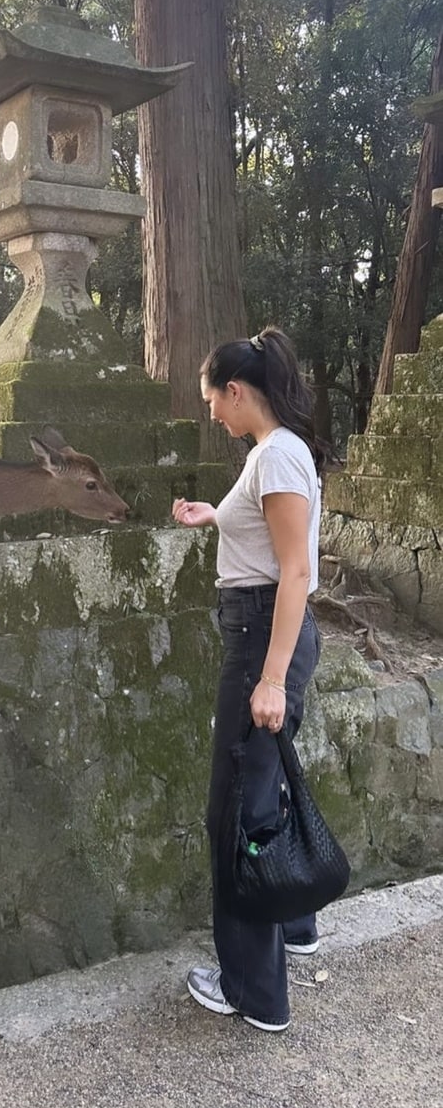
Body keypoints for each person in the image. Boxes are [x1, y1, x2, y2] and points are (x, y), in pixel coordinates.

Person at [172, 326, 328, 1033]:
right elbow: (267, 542)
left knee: (234, 809)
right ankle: (294, 924)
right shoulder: (270, 453)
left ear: (237, 391)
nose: (211, 414)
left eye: (213, 401)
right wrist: (216, 518)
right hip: (264, 629)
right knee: (260, 790)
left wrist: (269, 679)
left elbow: (293, 570)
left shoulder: (278, 457)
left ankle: (253, 991)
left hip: (265, 636)